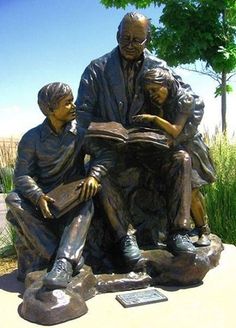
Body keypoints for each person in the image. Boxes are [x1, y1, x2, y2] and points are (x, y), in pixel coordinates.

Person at [76, 12, 201, 256]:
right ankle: (125, 238)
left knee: (181, 160)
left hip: (151, 148)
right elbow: (81, 117)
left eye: (137, 40)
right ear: (117, 35)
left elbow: (190, 102)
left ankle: (179, 233)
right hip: (114, 150)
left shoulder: (159, 67)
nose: (130, 45)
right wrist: (104, 129)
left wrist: (173, 135)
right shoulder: (96, 69)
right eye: (125, 38)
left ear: (148, 40)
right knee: (101, 171)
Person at [5, 82, 115, 289]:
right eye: (67, 103)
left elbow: (105, 155)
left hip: (72, 196)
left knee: (85, 202)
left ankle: (64, 263)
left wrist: (94, 176)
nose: (73, 106)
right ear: (49, 109)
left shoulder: (80, 133)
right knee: (12, 198)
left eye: (72, 100)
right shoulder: (31, 138)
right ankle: (57, 254)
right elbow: (22, 175)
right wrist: (38, 196)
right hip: (44, 198)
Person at [133, 68, 216, 246]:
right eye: (149, 92)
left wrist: (154, 118)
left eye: (156, 89)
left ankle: (204, 230)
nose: (153, 95)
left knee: (192, 192)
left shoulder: (184, 99)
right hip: (174, 150)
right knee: (177, 191)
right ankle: (183, 229)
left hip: (191, 150)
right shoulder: (163, 101)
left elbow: (176, 130)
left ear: (167, 84)